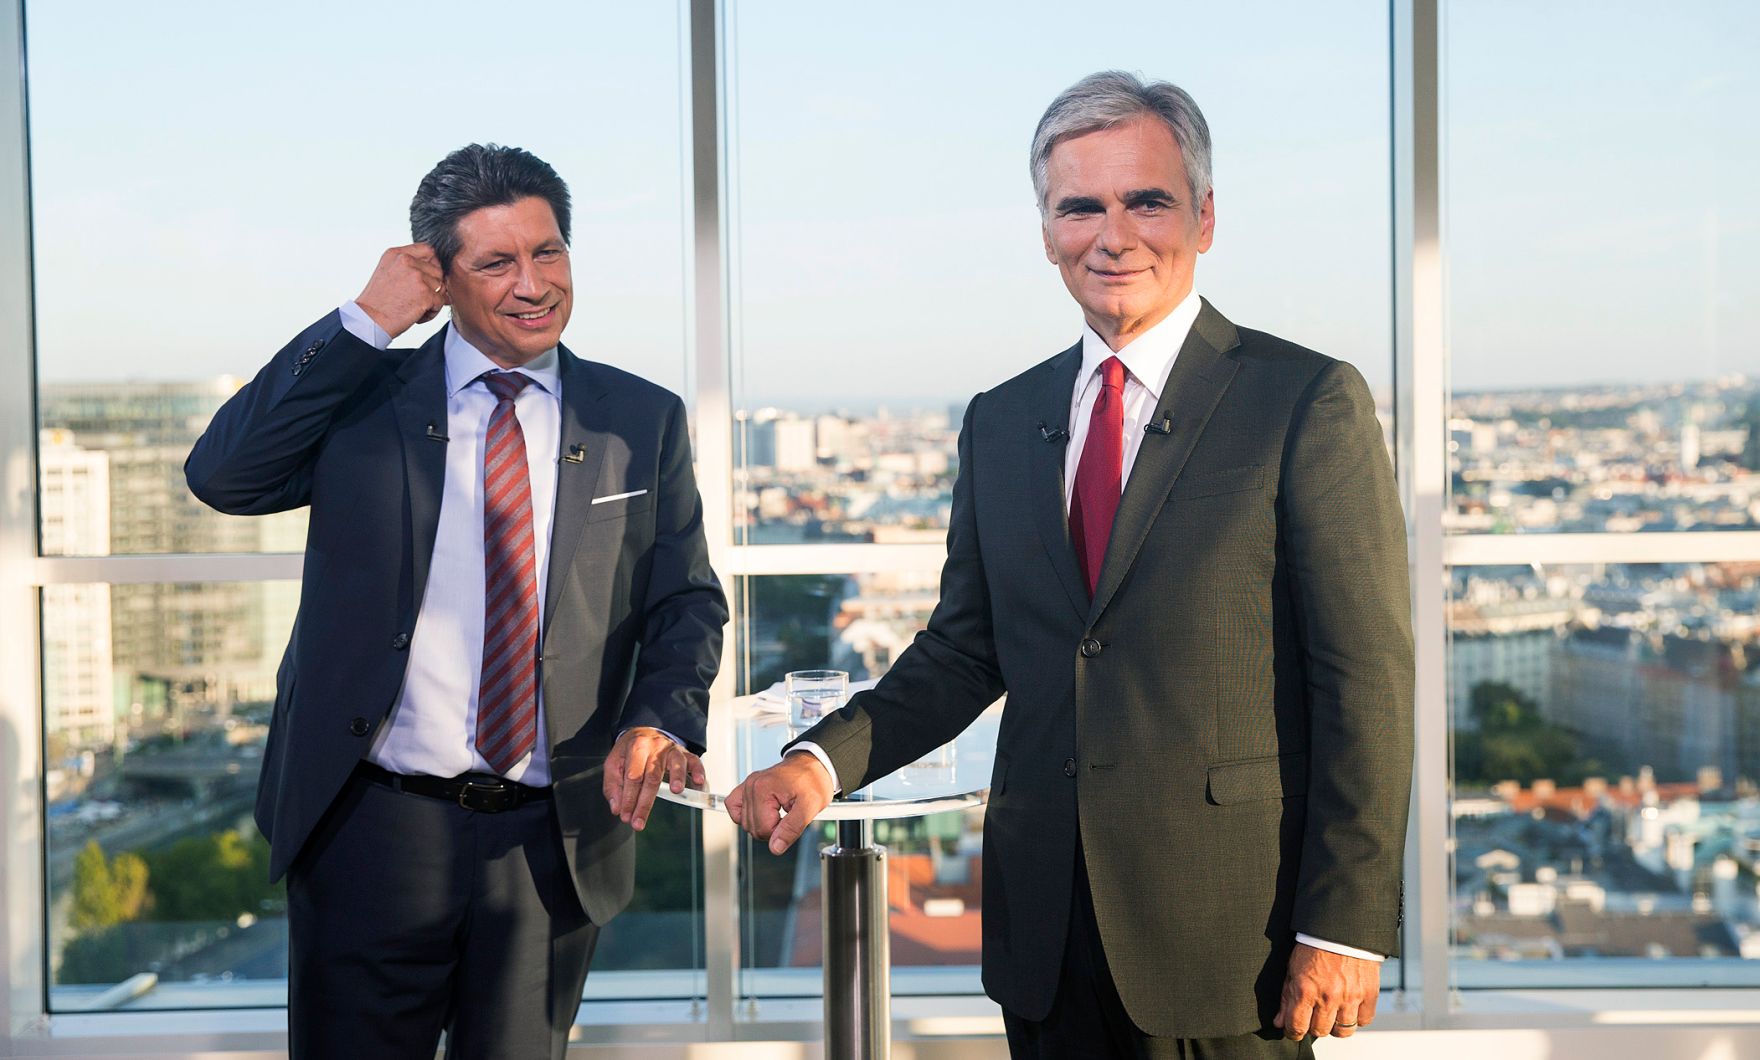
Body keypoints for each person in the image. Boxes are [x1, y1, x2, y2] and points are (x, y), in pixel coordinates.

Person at [726, 71, 1413, 1059]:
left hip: (1231, 938)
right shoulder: (1002, 419)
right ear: (1044, 229)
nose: (1112, 232)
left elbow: (1364, 677)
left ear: (1204, 217)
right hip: (1045, 931)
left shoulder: (1302, 401)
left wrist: (1341, 923)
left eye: (1146, 200)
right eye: (1078, 205)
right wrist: (818, 759)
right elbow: (966, 651)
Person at [186, 143, 727, 1060]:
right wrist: (365, 321)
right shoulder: (366, 402)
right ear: (437, 276)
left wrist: (661, 718)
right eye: (497, 262)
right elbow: (224, 475)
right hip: (369, 831)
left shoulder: (642, 417)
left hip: (551, 844)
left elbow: (687, 601)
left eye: (548, 252)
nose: (534, 284)